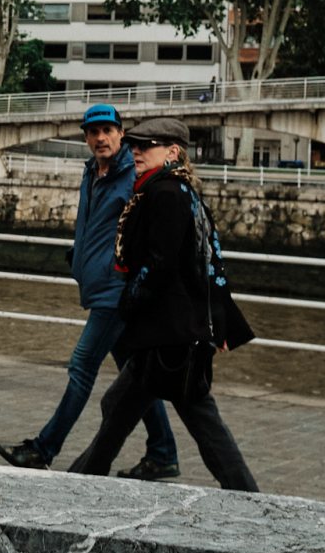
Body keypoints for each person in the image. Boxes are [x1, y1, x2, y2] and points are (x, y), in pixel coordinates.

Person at [66, 115, 259, 492]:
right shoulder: (179, 190)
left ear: (173, 152)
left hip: (167, 334)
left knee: (195, 421)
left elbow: (160, 263)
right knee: (122, 407)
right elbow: (206, 262)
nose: (135, 150)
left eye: (146, 145)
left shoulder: (164, 193)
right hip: (171, 331)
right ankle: (77, 483)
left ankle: (247, 495)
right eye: (134, 144)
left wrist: (128, 303)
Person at [0, 104, 180, 477]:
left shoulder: (132, 175)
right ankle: (162, 453)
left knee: (81, 367)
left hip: (116, 291)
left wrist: (131, 277)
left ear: (120, 133)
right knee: (135, 374)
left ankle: (44, 449)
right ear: (85, 137)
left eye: (107, 131)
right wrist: (78, 256)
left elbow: (145, 231)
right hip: (99, 285)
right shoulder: (92, 172)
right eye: (92, 132)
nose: (100, 138)